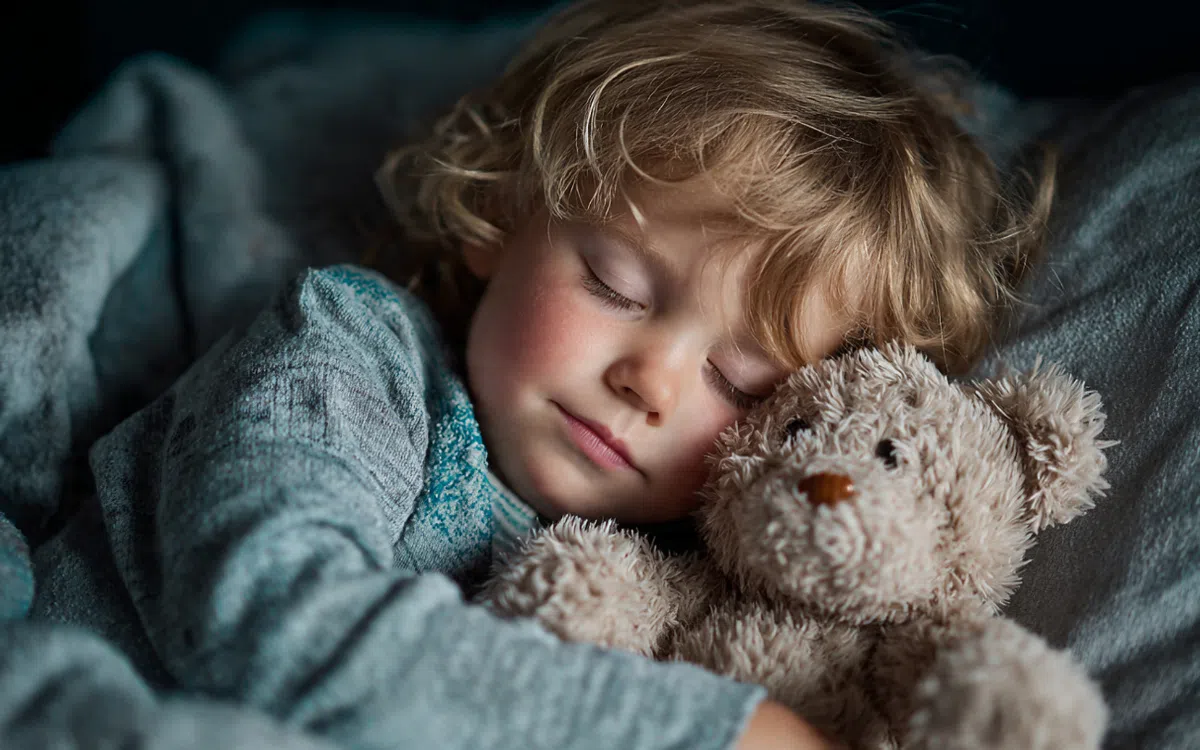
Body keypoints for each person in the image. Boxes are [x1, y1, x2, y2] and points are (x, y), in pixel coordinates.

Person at [30, 1, 1052, 748]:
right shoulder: (343, 354)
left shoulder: (680, 587)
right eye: (615, 282)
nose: (650, 381)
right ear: (506, 212)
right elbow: (270, 616)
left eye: (742, 385)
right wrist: (726, 735)